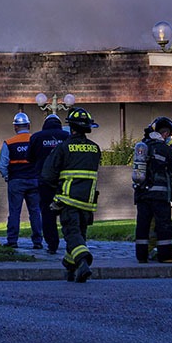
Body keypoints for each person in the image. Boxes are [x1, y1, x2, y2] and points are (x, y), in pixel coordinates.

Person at [40, 107, 102, 282]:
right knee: (78, 235)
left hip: (68, 200)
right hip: (87, 203)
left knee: (71, 233)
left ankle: (83, 260)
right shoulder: (95, 149)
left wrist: (57, 188)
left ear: (71, 128)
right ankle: (70, 267)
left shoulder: (64, 147)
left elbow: (47, 175)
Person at [134, 117, 172, 264]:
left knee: (143, 225)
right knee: (164, 225)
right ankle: (166, 255)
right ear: (164, 134)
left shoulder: (143, 146)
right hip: (160, 195)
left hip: (142, 194)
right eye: (167, 134)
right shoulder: (164, 148)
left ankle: (141, 256)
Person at [0, 112, 43, 249]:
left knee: (14, 212)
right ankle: (37, 241)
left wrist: (7, 176)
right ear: (29, 125)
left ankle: (12, 240)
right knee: (35, 212)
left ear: (15, 127)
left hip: (16, 181)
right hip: (34, 180)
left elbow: (2, 164)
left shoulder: (9, 142)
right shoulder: (35, 140)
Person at [28, 113, 69, 254]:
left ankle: (52, 244)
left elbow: (29, 158)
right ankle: (72, 241)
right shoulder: (66, 137)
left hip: (44, 182)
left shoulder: (36, 137)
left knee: (47, 213)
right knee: (67, 211)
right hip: (65, 181)